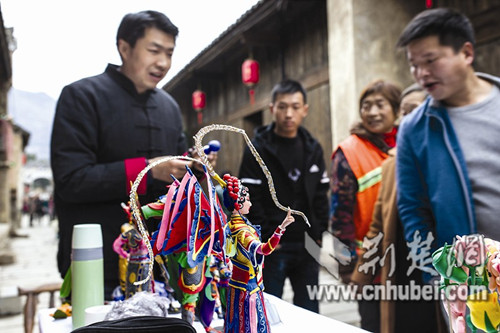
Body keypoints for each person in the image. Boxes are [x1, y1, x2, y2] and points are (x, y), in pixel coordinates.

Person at [50, 10, 193, 299]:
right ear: (124, 47)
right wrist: (148, 171)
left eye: (169, 53)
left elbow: (176, 178)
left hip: (161, 266)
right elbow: (71, 180)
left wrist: (191, 168)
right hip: (97, 262)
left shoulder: (169, 107)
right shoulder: (81, 97)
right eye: (154, 50)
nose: (163, 63)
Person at [395, 8, 500, 283]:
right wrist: (437, 276)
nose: (421, 73)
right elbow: (412, 208)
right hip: (471, 284)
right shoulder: (414, 129)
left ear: (466, 53)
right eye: (414, 64)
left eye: (430, 60)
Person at [350, 84, 447, 333]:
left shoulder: (449, 160)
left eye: (414, 110)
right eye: (404, 113)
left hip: (441, 269)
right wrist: (363, 274)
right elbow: (377, 226)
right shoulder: (392, 164)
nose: (407, 119)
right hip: (403, 270)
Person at [238, 79, 329, 313]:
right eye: (282, 106)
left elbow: (321, 194)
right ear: (272, 109)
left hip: (307, 244)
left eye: (296, 107)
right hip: (272, 246)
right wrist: (267, 235)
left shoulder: (313, 148)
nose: (289, 113)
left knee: (309, 311)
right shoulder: (257, 148)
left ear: (305, 110)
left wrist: (318, 233)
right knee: (267, 309)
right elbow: (249, 197)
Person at [329, 79, 401, 332]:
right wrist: (347, 267)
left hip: (408, 259)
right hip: (369, 264)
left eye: (380, 105)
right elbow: (340, 217)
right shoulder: (348, 153)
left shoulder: (408, 142)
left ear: (395, 109)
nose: (372, 112)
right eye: (366, 106)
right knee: (373, 324)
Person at [221, 174, 295, 333]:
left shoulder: (230, 226)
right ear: (237, 204)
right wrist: (281, 228)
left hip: (238, 284)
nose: (250, 203)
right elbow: (265, 249)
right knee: (251, 325)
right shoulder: (242, 232)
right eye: (247, 199)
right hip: (248, 289)